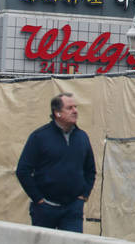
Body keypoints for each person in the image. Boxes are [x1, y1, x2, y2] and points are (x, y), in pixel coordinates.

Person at [16, 92, 96, 232]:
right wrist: (39, 199)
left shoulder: (82, 137)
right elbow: (23, 170)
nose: (75, 111)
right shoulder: (39, 137)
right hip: (45, 209)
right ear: (57, 113)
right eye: (69, 108)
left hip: (72, 209)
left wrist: (83, 196)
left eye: (75, 107)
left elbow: (90, 170)